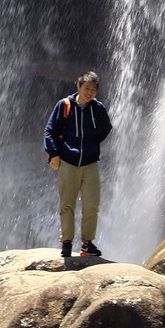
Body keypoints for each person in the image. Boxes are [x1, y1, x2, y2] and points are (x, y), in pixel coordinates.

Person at [44, 70, 111, 261]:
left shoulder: (97, 108)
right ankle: (66, 242)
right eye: (87, 88)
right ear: (78, 86)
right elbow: (50, 130)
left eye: (93, 90)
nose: (89, 92)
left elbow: (106, 128)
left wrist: (92, 144)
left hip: (90, 163)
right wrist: (54, 154)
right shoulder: (64, 105)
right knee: (67, 204)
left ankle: (87, 243)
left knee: (92, 205)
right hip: (68, 162)